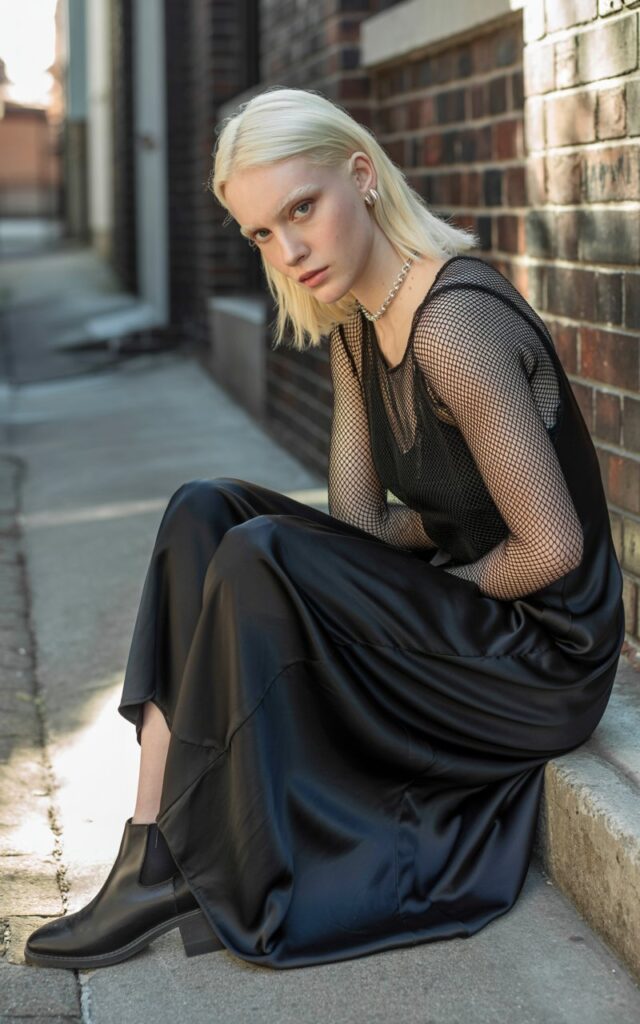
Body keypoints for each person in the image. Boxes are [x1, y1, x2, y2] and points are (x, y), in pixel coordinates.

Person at [25, 86, 624, 971]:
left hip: (539, 658)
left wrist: (418, 589)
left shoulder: (454, 325)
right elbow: (358, 525)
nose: (289, 251)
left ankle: (188, 849)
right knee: (206, 509)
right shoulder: (358, 325)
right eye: (263, 233)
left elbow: (554, 547)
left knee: (262, 551)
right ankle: (151, 852)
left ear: (363, 175)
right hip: (466, 614)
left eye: (302, 209)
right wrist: (408, 559)